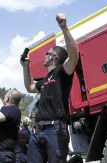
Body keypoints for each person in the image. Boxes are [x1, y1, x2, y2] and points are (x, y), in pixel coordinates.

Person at [20, 13, 79, 163]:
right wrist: (25, 67)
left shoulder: (62, 73)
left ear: (53, 57)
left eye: (46, 54)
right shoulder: (46, 79)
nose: (44, 57)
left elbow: (74, 57)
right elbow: (30, 87)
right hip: (38, 132)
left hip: (55, 131)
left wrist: (64, 28)